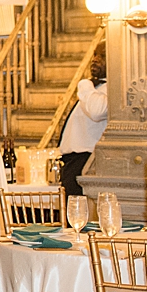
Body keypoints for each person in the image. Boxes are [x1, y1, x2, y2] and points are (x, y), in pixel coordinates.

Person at [59, 47, 107, 196]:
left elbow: (96, 110)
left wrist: (85, 84)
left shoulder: (112, 88)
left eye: (102, 55)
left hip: (87, 160)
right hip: (74, 162)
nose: (95, 59)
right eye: (95, 55)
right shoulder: (96, 88)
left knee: (79, 216)